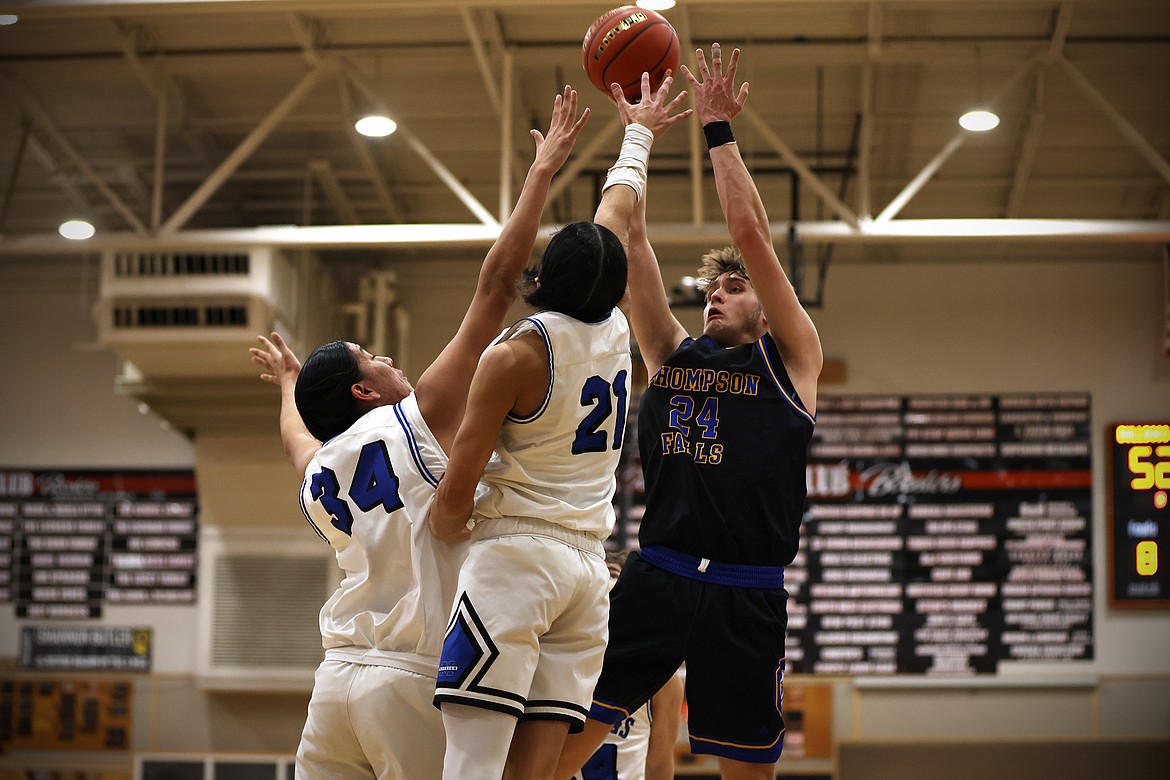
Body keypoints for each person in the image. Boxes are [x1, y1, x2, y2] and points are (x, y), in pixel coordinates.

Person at [249, 86, 595, 780]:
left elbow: (296, 438)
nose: (390, 360)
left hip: (334, 686)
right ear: (363, 390)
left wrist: (290, 387)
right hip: (410, 679)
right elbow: (497, 286)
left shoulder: (321, 470)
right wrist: (541, 171)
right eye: (373, 358)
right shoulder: (414, 417)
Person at [556, 45, 824, 780]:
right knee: (559, 753)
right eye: (711, 290)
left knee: (745, 771)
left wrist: (717, 131)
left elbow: (753, 237)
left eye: (734, 289)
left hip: (746, 587)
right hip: (659, 575)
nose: (716, 295)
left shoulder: (791, 360)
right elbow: (629, 240)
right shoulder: (669, 356)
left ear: (768, 309)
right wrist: (638, 132)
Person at [427, 72, 691, 780]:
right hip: (585, 573)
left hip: (516, 562)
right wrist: (638, 131)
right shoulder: (614, 331)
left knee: (474, 766)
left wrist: (447, 536)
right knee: (540, 773)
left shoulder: (518, 353)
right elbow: (619, 210)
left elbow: (457, 487)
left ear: (549, 276)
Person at [571, 551, 684, 780]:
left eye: (615, 575)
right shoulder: (560, 658)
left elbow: (660, 764)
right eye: (605, 576)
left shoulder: (662, 678)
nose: (609, 584)